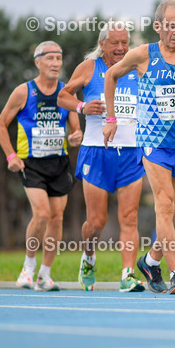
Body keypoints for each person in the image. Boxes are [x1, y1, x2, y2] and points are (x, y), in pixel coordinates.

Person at [102, 0, 175, 294]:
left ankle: (150, 261)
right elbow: (110, 76)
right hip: (153, 143)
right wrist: (110, 118)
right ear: (158, 26)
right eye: (171, 25)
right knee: (165, 204)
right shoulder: (143, 55)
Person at [57, 24, 146, 292]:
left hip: (131, 152)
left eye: (124, 42)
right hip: (97, 151)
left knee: (129, 217)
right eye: (115, 43)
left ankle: (128, 275)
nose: (120, 48)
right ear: (102, 44)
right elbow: (62, 96)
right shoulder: (89, 68)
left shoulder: (137, 68)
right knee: (96, 222)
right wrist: (82, 106)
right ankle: (88, 258)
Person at [0, 41, 82, 292]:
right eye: (49, 58)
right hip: (31, 164)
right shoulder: (24, 92)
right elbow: (0, 124)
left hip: (59, 162)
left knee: (57, 217)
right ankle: (28, 267)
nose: (55, 63)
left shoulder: (67, 92)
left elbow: (76, 128)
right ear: (37, 62)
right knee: (42, 214)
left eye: (59, 58)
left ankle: (44, 275)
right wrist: (11, 156)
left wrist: (76, 135)